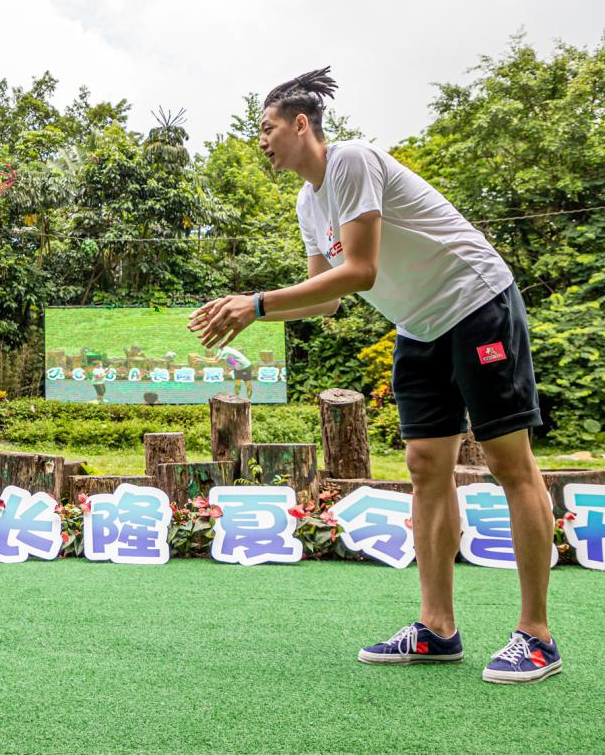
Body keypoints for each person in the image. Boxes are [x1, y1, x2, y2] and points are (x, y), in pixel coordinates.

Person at [189, 68, 560, 685]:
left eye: (267, 127)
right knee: (424, 465)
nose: (262, 140)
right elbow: (325, 297)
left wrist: (255, 303)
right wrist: (256, 313)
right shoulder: (310, 202)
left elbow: (359, 271)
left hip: (476, 302)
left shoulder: (352, 162)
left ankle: (537, 635)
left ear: (301, 123)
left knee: (506, 461)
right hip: (419, 326)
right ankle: (437, 629)